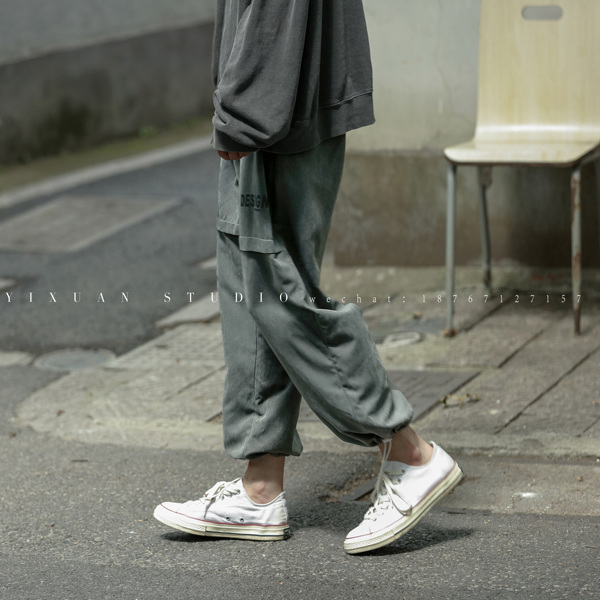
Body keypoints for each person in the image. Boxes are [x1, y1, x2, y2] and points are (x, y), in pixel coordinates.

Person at [154, 0, 463, 554]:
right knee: (252, 286)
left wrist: (245, 113)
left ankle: (409, 451)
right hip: (285, 97)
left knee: (276, 288)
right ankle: (260, 487)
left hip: (278, 106)